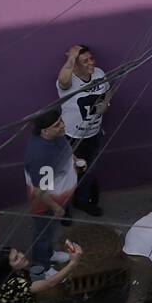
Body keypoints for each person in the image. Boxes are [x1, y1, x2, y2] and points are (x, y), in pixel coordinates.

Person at [56, 44, 110, 218]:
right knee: (67, 174)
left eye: (91, 58)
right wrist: (71, 58)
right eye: (84, 61)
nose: (90, 63)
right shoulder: (69, 80)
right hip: (70, 137)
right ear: (76, 65)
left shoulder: (99, 74)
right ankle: (63, 209)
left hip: (93, 135)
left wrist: (106, 104)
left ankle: (82, 200)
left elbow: (108, 91)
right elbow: (63, 81)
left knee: (89, 169)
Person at [23, 110, 77, 281]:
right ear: (44, 131)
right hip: (47, 205)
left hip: (59, 198)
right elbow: (40, 191)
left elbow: (66, 150)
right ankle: (42, 267)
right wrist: (56, 207)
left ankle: (50, 254)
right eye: (57, 124)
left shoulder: (54, 135)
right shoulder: (41, 156)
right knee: (43, 234)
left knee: (49, 232)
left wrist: (73, 159)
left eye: (61, 120)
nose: (62, 125)